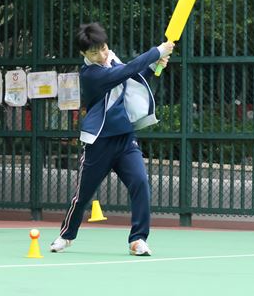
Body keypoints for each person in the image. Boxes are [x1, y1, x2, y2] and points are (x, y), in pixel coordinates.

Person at [50, 22, 174, 256]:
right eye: (93, 52)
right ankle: (66, 235)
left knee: (140, 183)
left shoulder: (112, 60)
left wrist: (153, 66)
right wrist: (157, 51)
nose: (101, 55)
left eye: (103, 48)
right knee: (83, 195)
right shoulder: (90, 74)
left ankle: (138, 239)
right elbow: (123, 73)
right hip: (99, 143)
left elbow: (132, 77)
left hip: (125, 139)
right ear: (83, 54)